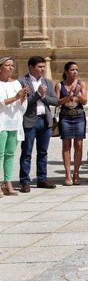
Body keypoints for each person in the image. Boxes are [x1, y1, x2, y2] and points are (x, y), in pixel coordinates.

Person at [19, 56, 59, 192]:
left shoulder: (47, 82)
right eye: (39, 67)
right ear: (31, 67)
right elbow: (23, 102)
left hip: (45, 120)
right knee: (27, 152)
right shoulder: (22, 82)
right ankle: (24, 180)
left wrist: (42, 96)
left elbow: (54, 101)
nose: (42, 69)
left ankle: (42, 178)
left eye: (43, 66)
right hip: (30, 120)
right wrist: (37, 95)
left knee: (43, 152)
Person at [56, 62, 88, 186]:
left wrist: (78, 94)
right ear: (66, 71)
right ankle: (68, 173)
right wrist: (67, 97)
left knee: (79, 145)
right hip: (65, 116)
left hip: (79, 115)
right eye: (72, 70)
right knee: (66, 145)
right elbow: (57, 102)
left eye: (76, 70)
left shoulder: (81, 84)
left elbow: (85, 101)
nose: (75, 72)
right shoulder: (59, 85)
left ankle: (76, 173)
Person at [0, 57, 28, 196]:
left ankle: (8, 181)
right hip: (1, 122)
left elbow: (21, 105)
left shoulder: (16, 83)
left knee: (10, 154)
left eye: (12, 65)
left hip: (14, 121)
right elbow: (1, 102)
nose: (10, 68)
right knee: (0, 154)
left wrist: (23, 97)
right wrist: (17, 97)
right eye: (7, 65)